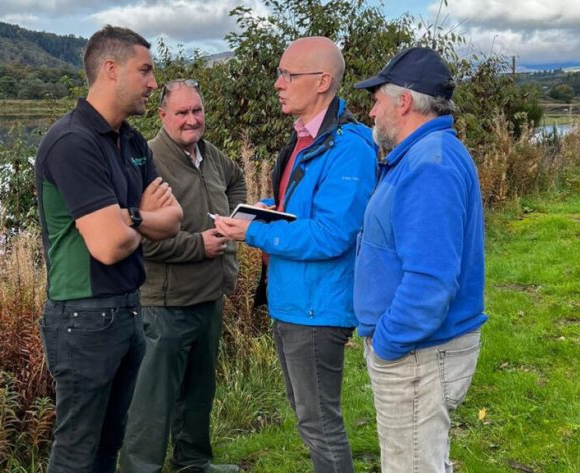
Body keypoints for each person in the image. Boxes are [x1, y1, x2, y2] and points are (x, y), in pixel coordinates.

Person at [214, 36, 377, 473]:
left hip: (317, 306)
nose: (277, 83)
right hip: (293, 299)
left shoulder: (348, 149)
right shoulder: (305, 140)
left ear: (323, 81)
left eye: (288, 74)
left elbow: (331, 235)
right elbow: (307, 210)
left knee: (319, 422)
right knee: (308, 417)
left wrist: (255, 232)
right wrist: (269, 210)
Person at [34, 25, 183, 473]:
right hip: (82, 318)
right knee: (77, 452)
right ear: (111, 69)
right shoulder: (71, 143)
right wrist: (137, 218)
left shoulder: (132, 141)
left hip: (127, 310)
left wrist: (130, 215)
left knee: (108, 444)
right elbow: (108, 246)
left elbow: (173, 219)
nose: (153, 83)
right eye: (146, 71)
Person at [352, 47, 487, 473]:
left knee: (412, 465)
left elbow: (430, 281)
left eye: (376, 100)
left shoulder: (430, 165)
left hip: (418, 354)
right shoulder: (424, 154)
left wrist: (388, 343)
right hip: (418, 351)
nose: (372, 112)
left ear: (404, 101)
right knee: (422, 459)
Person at [119, 79, 246, 473]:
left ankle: (194, 463)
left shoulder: (210, 155)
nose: (192, 120)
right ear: (162, 116)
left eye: (197, 111)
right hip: (165, 304)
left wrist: (236, 218)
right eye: (182, 112)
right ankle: (140, 469)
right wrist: (198, 245)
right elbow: (140, 240)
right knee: (152, 401)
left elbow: (237, 180)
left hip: (209, 295)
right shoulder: (148, 160)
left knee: (198, 391)